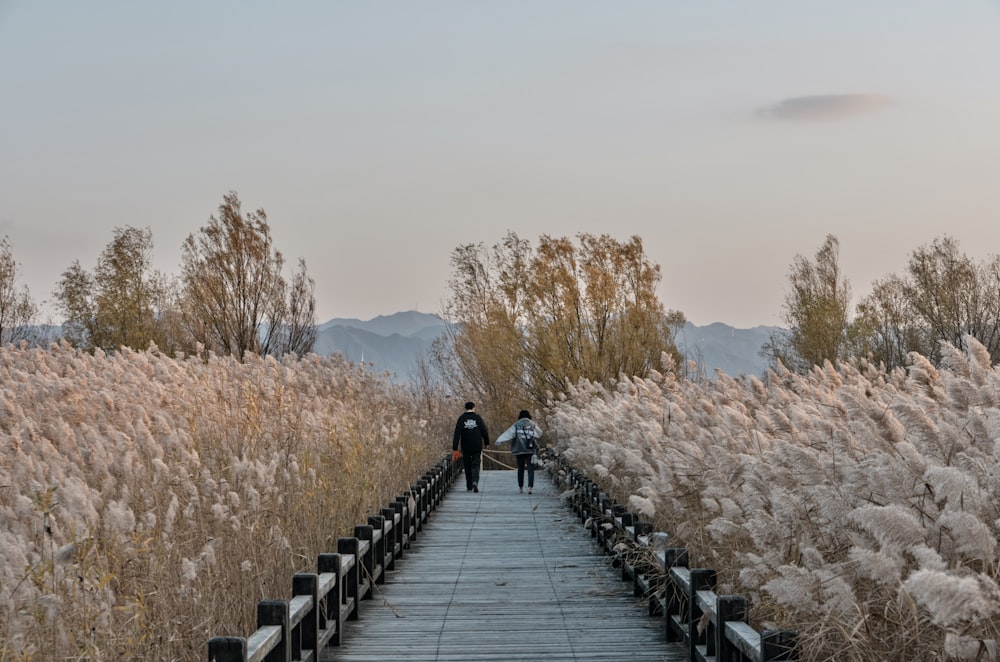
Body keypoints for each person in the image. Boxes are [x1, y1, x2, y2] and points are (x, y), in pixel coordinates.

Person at [495, 410, 542, 494]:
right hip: (530, 450)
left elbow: (508, 434)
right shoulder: (532, 424)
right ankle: (530, 488)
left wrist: (499, 440)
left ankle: (521, 488)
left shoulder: (516, 425)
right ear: (529, 416)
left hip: (519, 449)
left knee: (520, 469)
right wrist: (533, 436)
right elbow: (540, 433)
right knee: (530, 469)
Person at [453, 401, 490, 492]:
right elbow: (484, 430)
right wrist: (487, 442)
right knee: (476, 464)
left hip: (466, 445)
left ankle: (469, 485)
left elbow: (457, 433)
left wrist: (455, 447)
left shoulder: (462, 418)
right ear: (474, 408)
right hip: (477, 445)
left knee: (467, 465)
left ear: (465, 408)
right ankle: (475, 481)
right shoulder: (478, 418)